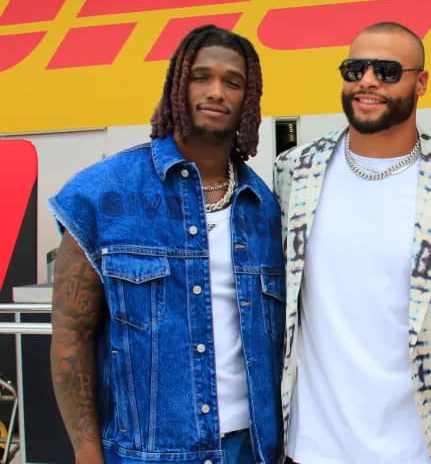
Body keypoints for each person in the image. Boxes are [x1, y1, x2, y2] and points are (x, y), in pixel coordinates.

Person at [273, 21, 431, 464]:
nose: (367, 80)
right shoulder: (295, 173)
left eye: (386, 70)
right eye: (354, 69)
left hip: (426, 448)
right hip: (310, 449)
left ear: (421, 82)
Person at [48, 25, 284, 463]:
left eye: (232, 82)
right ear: (178, 84)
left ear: (247, 102)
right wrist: (86, 454)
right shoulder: (102, 194)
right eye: (202, 77)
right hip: (147, 455)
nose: (216, 91)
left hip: (252, 450)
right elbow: (70, 335)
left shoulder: (265, 208)